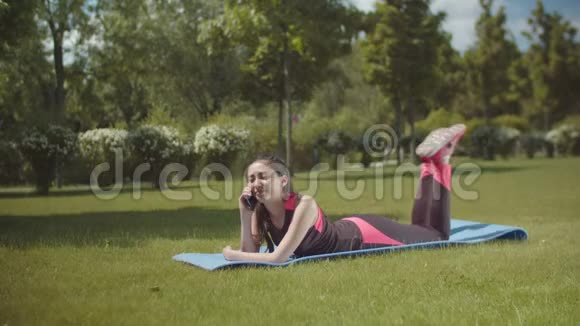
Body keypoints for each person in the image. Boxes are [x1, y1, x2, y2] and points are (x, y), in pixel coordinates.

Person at [222, 124, 466, 263]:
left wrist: (233, 255)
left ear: (283, 180)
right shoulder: (260, 211)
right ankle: (429, 162)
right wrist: (245, 213)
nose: (255, 183)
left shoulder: (303, 204)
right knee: (421, 228)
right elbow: (251, 253)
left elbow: (277, 258)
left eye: (262, 176)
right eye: (250, 178)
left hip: (365, 235)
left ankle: (440, 159)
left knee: (436, 236)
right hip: (350, 226)